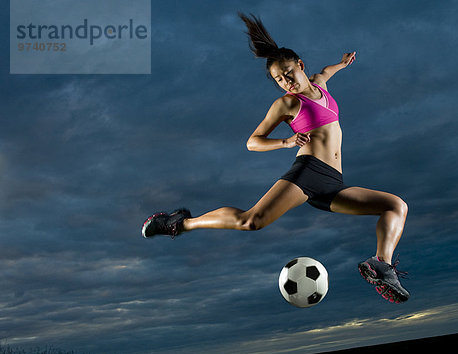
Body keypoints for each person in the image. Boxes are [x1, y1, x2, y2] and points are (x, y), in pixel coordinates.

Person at [142, 13, 410, 303]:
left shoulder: (320, 85)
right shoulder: (287, 103)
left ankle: (381, 264)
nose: (286, 82)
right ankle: (180, 223)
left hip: (334, 182)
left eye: (289, 73)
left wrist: (341, 64)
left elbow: (326, 72)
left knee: (395, 206)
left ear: (300, 66)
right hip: (308, 171)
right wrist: (286, 141)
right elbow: (252, 142)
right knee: (251, 221)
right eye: (279, 80)